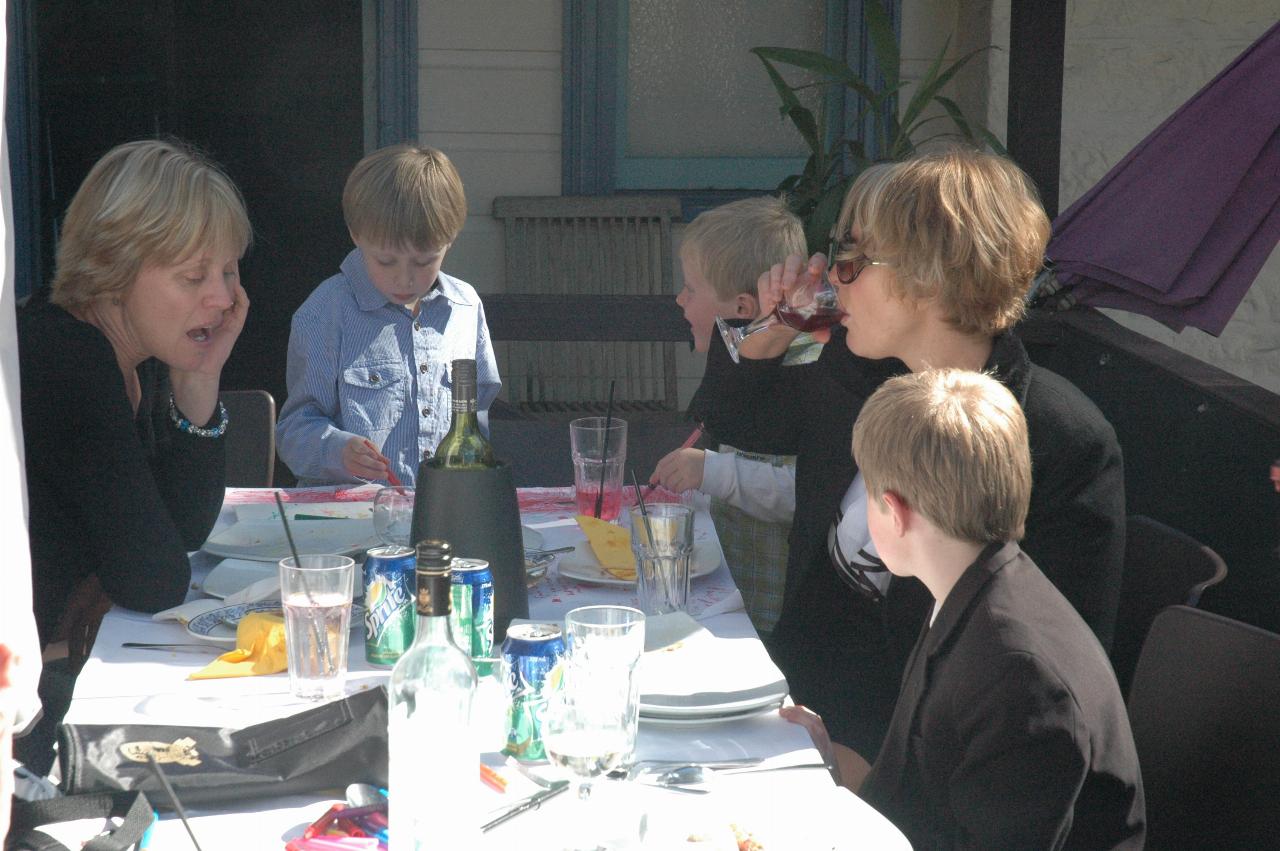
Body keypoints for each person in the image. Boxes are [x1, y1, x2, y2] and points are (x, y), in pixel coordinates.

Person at [700, 148, 1126, 758]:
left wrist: (866, 775)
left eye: (851, 257)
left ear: (926, 275)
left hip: (915, 761)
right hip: (794, 705)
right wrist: (774, 325)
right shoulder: (867, 377)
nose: (830, 274)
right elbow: (739, 416)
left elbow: (1049, 683)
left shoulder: (1057, 439)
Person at [787, 368, 1145, 849]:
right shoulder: (967, 587)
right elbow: (925, 793)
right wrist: (830, 761)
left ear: (894, 512)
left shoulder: (1020, 675)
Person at [16, 138, 250, 771]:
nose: (225, 298)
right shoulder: (68, 359)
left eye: (228, 270)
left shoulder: (123, 353)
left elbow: (182, 533)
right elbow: (153, 578)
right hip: (27, 717)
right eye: (194, 276)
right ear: (115, 269)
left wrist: (199, 381)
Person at [276, 144, 500, 486]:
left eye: (424, 261)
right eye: (386, 261)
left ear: (449, 241)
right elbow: (294, 431)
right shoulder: (327, 310)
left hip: (444, 507)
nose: (404, 278)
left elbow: (477, 417)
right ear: (356, 236)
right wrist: (338, 450)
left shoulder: (465, 308)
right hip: (350, 521)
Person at [649, 196, 818, 635]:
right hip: (731, 594)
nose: (680, 298)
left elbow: (808, 495)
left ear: (743, 309)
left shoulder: (808, 370)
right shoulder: (736, 366)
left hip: (781, 619)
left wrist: (712, 472)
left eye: (692, 288)